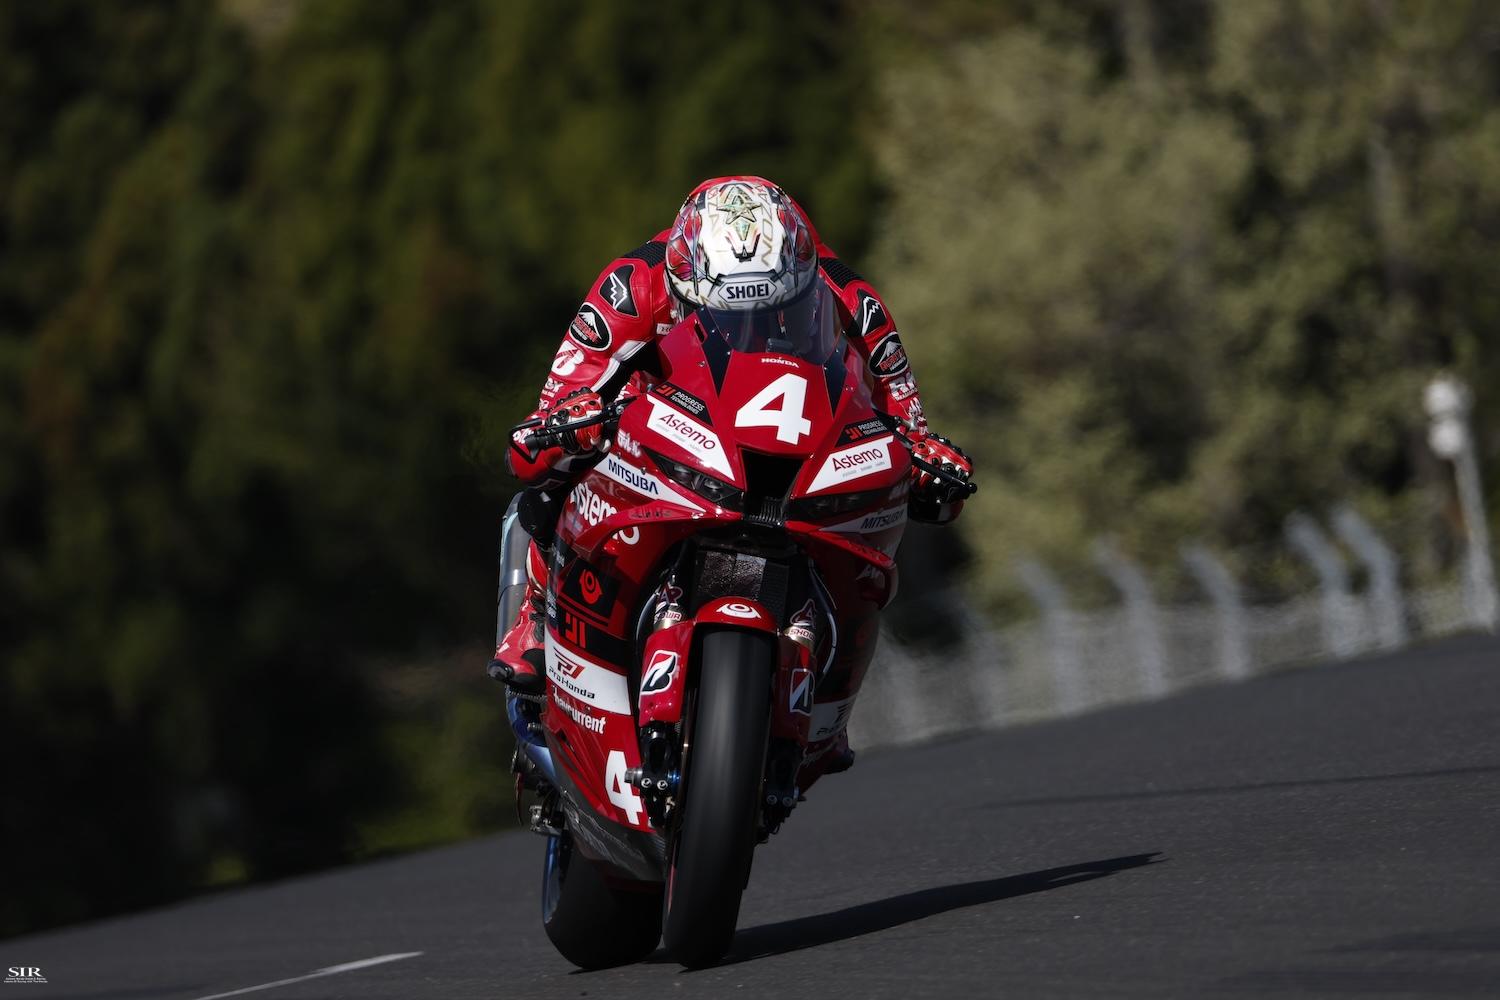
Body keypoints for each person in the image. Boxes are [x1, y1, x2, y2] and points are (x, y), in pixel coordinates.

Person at [490, 177, 973, 754]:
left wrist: (928, 463)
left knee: (877, 517)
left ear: (802, 277)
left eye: (771, 310)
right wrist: (567, 423)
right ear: (683, 280)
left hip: (790, 445)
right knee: (552, 471)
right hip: (662, 429)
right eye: (726, 313)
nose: (748, 326)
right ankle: (534, 615)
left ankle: (829, 686)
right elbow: (553, 409)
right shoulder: (629, 288)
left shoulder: (853, 301)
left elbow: (906, 419)